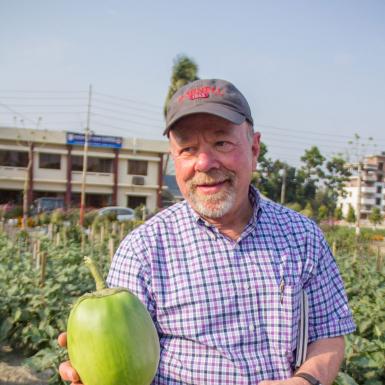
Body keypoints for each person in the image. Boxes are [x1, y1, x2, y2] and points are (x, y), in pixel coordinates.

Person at [59, 79, 355, 385]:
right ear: (173, 159)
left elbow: (329, 335)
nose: (204, 163)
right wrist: (97, 363)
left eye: (221, 143)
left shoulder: (303, 236)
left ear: (254, 148)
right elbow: (118, 355)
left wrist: (305, 380)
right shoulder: (143, 250)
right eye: (187, 149)